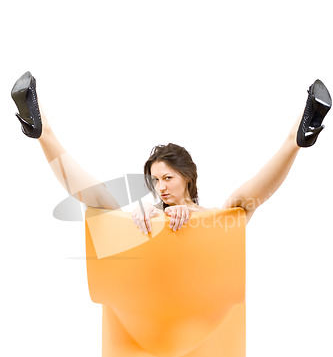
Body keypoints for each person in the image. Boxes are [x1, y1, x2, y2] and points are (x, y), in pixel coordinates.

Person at [11, 71, 332, 235]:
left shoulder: (209, 216)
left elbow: (217, 214)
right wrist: (151, 216)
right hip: (148, 292)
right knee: (104, 203)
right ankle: (42, 132)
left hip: (203, 290)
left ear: (188, 178)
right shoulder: (149, 216)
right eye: (155, 180)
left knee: (237, 207)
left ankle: (296, 137)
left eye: (168, 177)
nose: (160, 186)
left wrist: (189, 214)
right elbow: (142, 222)